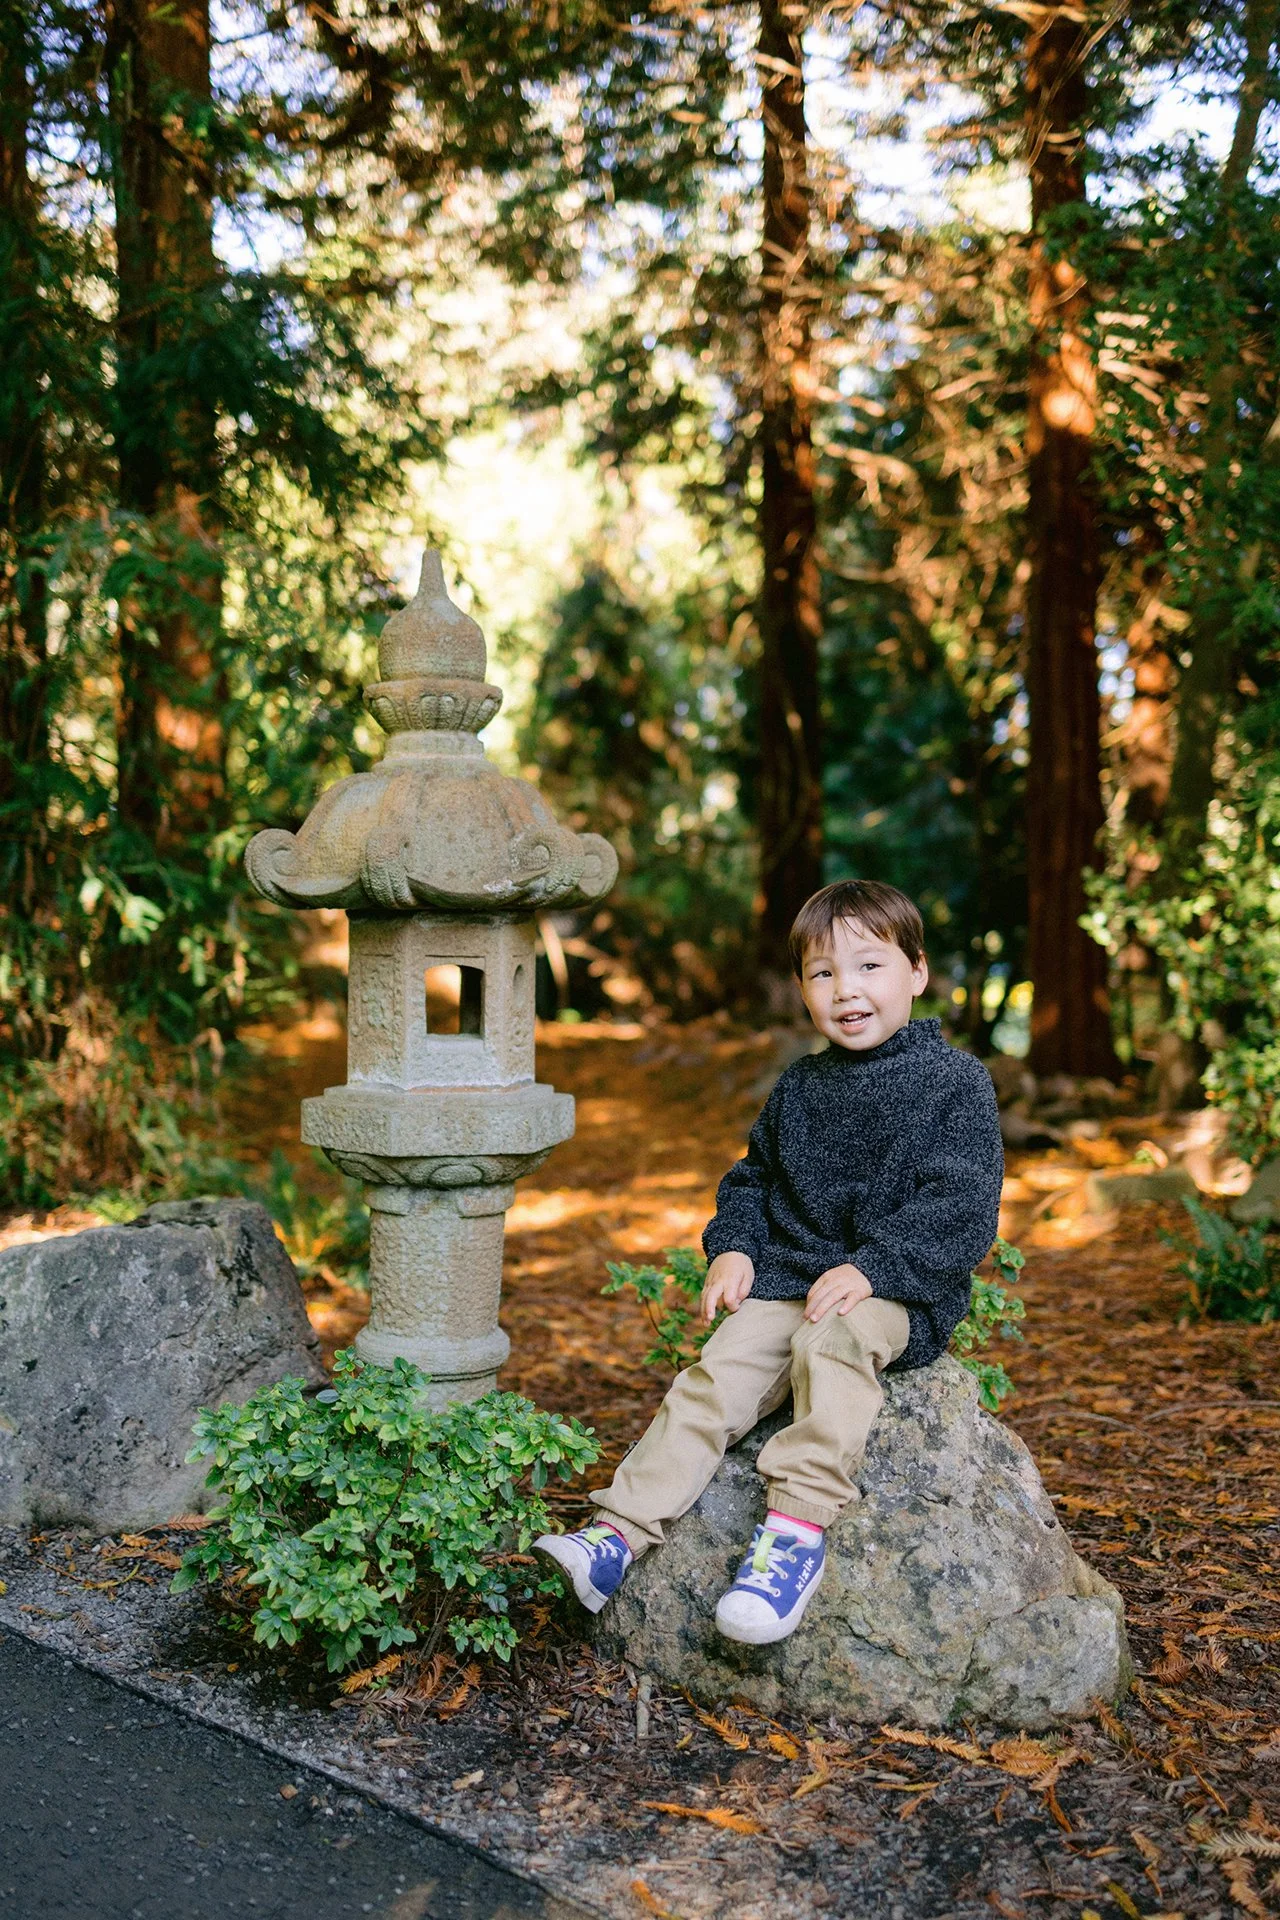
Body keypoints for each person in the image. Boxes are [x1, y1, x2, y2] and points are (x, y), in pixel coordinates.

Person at [534, 878, 1003, 1646]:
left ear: (917, 972)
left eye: (869, 967)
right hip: (790, 1276)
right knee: (714, 1378)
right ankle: (617, 1536)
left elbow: (961, 1205)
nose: (847, 990)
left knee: (833, 1342)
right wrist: (737, 1248)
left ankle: (792, 1538)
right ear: (802, 992)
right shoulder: (801, 1087)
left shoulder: (955, 1084)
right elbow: (754, 1178)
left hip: (896, 1291)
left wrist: (876, 1269)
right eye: (824, 974)